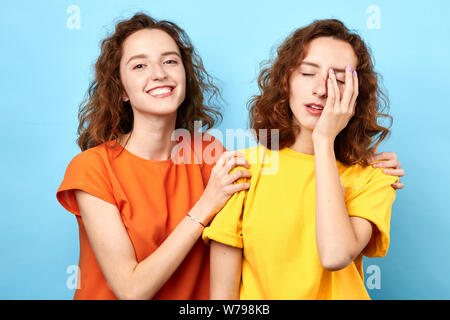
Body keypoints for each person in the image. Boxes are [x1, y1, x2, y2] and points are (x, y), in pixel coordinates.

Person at [203, 19, 405, 300]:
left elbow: (335, 255)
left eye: (339, 79)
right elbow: (223, 297)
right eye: (308, 73)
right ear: (286, 82)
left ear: (356, 94)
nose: (322, 89)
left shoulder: (374, 176)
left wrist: (324, 141)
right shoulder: (242, 170)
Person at [56, 13, 252, 300]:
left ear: (185, 75)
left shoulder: (209, 154)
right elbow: (131, 290)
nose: (159, 73)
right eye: (139, 65)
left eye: (170, 61)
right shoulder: (92, 168)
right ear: (121, 89)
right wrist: (206, 205)